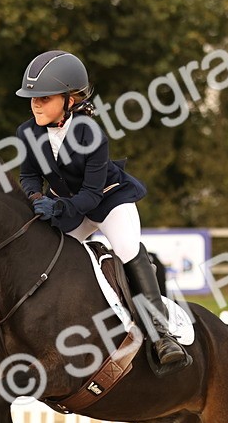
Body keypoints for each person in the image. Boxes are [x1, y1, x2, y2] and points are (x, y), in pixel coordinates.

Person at [13, 50, 190, 375]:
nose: (35, 104)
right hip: (67, 204)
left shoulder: (91, 134)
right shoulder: (28, 132)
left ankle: (162, 336)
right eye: (32, 99)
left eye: (44, 98)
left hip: (108, 201)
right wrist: (35, 196)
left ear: (70, 99)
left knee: (125, 250)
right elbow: (28, 174)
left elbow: (92, 195)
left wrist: (59, 206)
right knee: (50, 254)